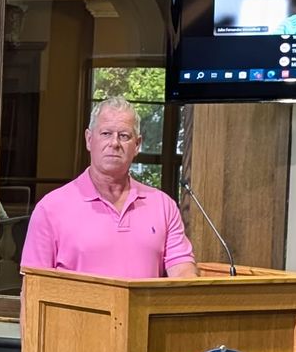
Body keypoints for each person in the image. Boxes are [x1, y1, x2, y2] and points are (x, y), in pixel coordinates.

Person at [20, 96, 197, 279]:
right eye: (106, 134)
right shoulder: (50, 208)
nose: (114, 143)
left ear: (137, 145)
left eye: (124, 136)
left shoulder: (163, 206)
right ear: (89, 139)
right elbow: (33, 287)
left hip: (144, 309)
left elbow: (183, 270)